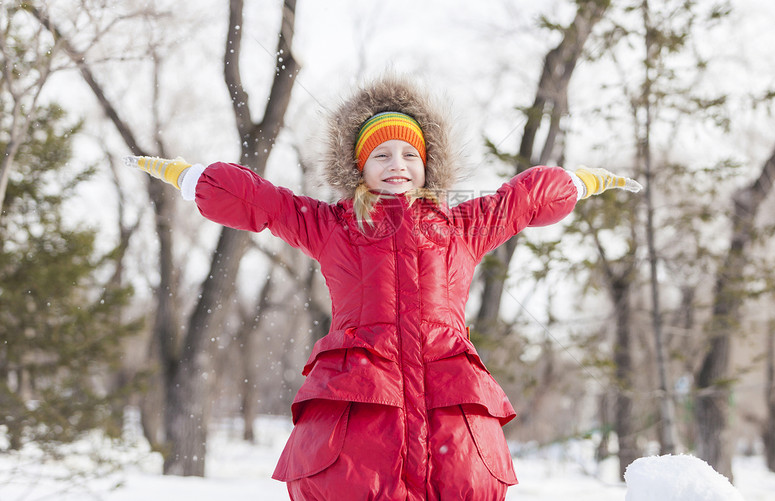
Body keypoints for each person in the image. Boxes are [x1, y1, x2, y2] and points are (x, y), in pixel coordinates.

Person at [127, 76, 642, 500]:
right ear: (359, 168)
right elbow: (262, 202)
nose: (397, 164)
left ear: (426, 166)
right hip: (363, 417)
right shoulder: (331, 225)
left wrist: (583, 183)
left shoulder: (461, 225)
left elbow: (522, 200)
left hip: (449, 418)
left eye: (409, 155)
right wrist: (187, 175)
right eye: (382, 156)